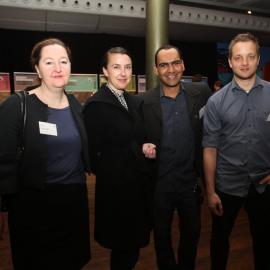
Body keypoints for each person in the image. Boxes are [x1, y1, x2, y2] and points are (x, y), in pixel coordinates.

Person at [0, 38, 91, 269]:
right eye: (49, 62)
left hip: (73, 202)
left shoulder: (76, 106)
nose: (58, 68)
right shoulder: (16, 106)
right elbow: (4, 162)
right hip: (33, 206)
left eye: (64, 61)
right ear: (37, 69)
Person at [83, 47, 156, 270]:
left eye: (127, 67)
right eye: (116, 67)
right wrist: (133, 153)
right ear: (105, 71)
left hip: (138, 190)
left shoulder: (133, 102)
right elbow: (93, 156)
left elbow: (139, 136)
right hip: (117, 193)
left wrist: (146, 145)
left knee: (132, 250)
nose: (123, 73)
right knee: (122, 252)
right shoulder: (96, 106)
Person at [203, 32, 270, 270]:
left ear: (258, 59)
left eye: (250, 56)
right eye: (238, 57)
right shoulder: (216, 102)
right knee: (219, 241)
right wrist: (210, 191)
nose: (244, 62)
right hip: (227, 185)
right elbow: (210, 148)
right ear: (230, 62)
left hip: (263, 184)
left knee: (264, 242)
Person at [141, 45, 211, 270]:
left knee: (192, 235)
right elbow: (135, 138)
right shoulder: (143, 102)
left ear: (183, 65)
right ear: (156, 69)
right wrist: (142, 145)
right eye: (164, 65)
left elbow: (212, 131)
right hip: (158, 186)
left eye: (175, 63)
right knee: (161, 239)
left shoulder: (200, 93)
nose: (171, 70)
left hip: (190, 185)